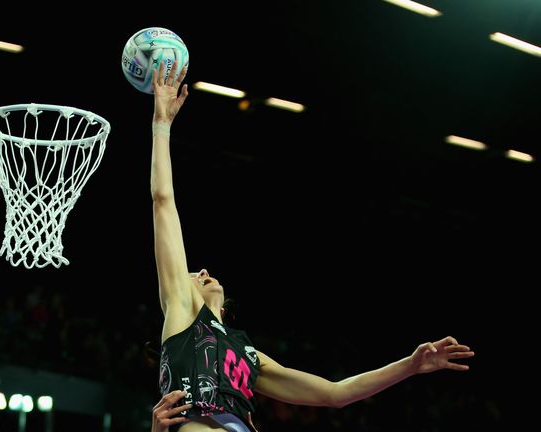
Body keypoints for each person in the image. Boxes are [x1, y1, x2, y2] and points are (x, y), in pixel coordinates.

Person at [149, 60, 475, 432]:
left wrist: (411, 365)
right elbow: (163, 202)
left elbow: (335, 394)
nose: (202, 271)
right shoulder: (182, 312)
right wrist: (162, 125)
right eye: (193, 274)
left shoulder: (250, 356)